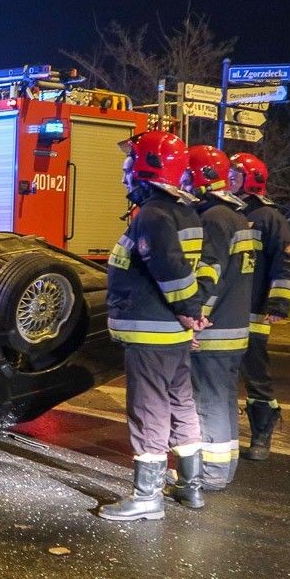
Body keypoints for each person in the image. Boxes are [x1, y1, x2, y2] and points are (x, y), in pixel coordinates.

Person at [100, 130, 206, 521]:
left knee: (149, 411)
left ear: (147, 169)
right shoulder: (185, 211)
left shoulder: (153, 215)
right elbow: (200, 268)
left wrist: (187, 308)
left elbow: (170, 270)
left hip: (151, 332)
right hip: (174, 335)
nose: (124, 176)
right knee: (181, 405)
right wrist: (194, 313)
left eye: (129, 168)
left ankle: (147, 498)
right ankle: (190, 487)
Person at [184, 145, 257, 491]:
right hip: (235, 327)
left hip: (214, 331)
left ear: (200, 178)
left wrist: (195, 317)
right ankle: (224, 468)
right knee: (224, 398)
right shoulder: (237, 216)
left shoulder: (212, 218)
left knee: (208, 401)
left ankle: (210, 475)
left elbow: (209, 273)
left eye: (186, 175)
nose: (181, 182)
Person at [230, 153, 290, 462]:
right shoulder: (227, 212)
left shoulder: (269, 218)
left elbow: (285, 261)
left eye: (237, 175)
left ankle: (262, 433)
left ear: (252, 179)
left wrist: (279, 303)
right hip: (227, 309)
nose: (231, 179)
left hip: (255, 310)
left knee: (255, 375)